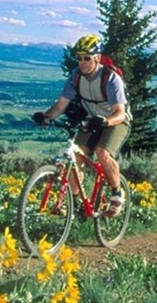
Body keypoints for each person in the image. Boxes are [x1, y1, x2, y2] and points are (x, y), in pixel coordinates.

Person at [34, 35, 131, 217]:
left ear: (98, 58)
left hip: (116, 120)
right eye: (79, 58)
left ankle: (117, 192)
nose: (82, 62)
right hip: (92, 119)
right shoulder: (76, 77)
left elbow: (120, 113)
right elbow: (61, 105)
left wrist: (105, 121)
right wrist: (46, 117)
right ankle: (75, 201)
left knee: (102, 152)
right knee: (76, 155)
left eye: (87, 58)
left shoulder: (111, 78)